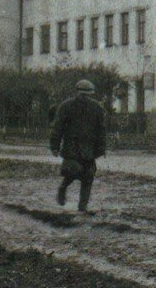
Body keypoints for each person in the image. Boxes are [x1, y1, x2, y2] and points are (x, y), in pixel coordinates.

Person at [50, 79, 106, 212]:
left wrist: (101, 148)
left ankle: (82, 207)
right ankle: (63, 188)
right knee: (72, 171)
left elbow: (101, 129)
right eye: (82, 95)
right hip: (72, 148)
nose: (84, 98)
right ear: (77, 93)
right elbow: (57, 128)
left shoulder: (97, 108)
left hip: (89, 149)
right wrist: (55, 146)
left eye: (87, 95)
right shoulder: (66, 106)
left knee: (88, 176)